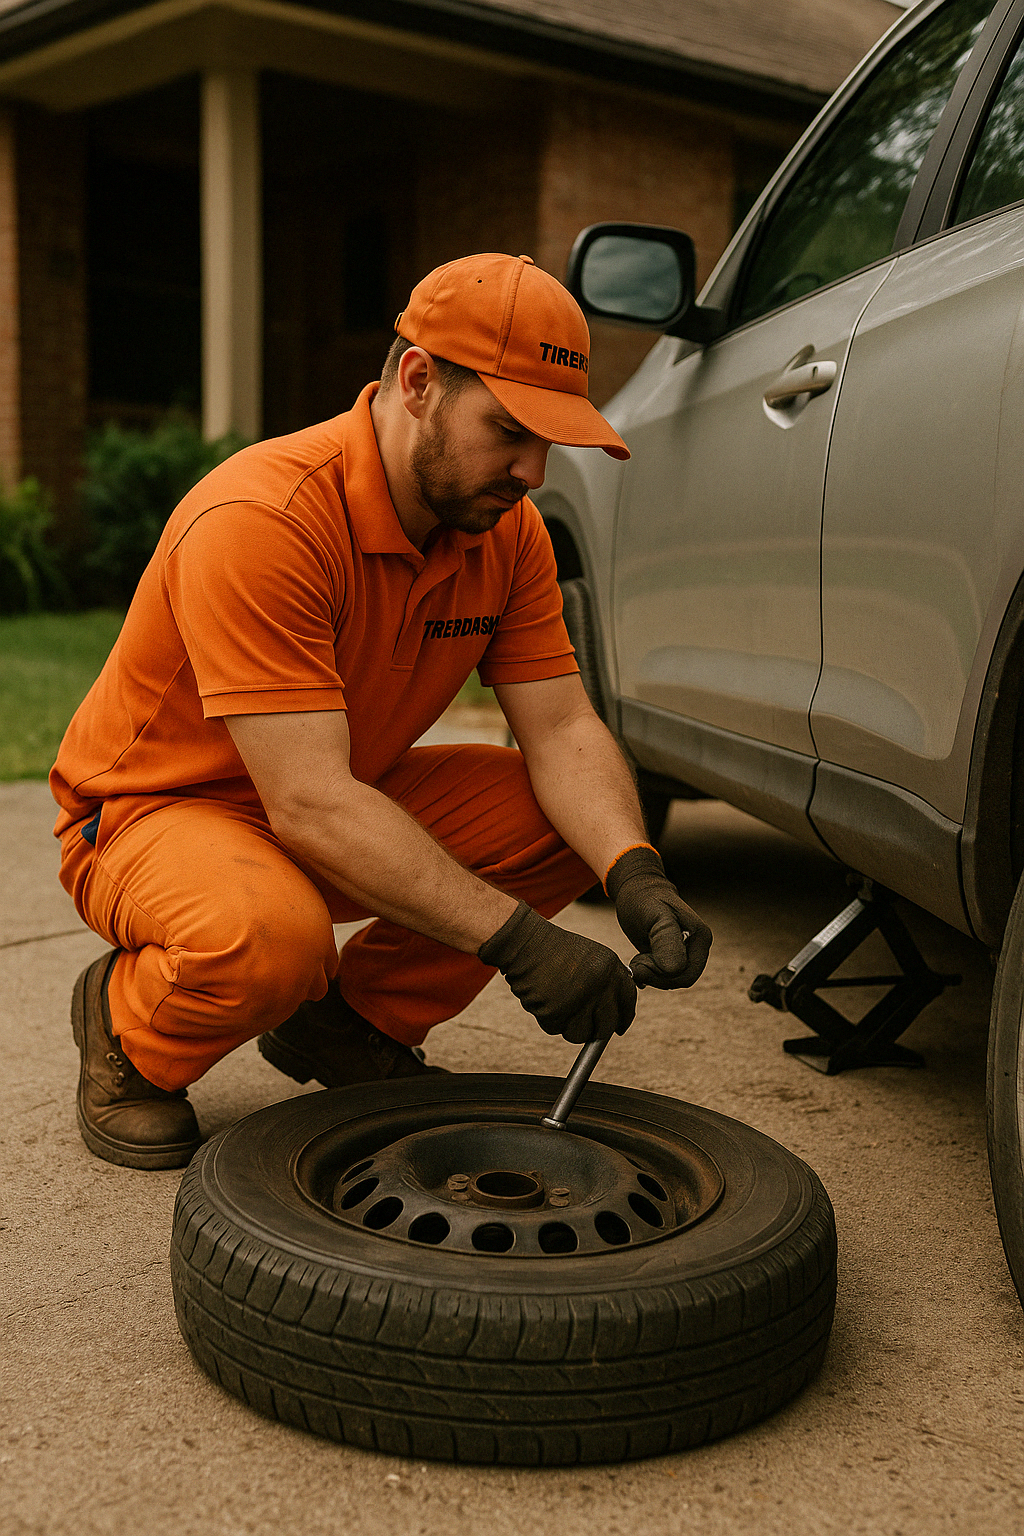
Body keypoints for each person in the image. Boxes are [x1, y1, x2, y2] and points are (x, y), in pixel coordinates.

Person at [51, 252, 712, 1171]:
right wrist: (522, 944)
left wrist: (636, 875)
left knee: (573, 823)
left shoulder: (504, 529)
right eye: (511, 429)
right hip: (154, 816)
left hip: (324, 793)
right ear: (417, 382)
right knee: (270, 940)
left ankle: (345, 1022)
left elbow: (561, 727)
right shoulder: (265, 516)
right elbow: (310, 801)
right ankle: (129, 1034)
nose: (532, 469)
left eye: (551, 439)